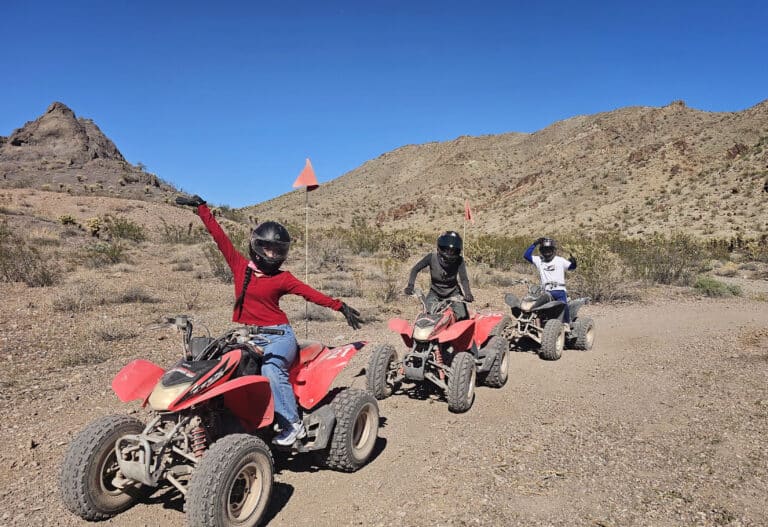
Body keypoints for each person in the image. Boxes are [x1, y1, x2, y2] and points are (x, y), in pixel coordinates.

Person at [176, 194, 363, 446]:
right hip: (248, 334)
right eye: (267, 248)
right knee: (209, 359)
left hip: (278, 335)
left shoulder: (283, 278)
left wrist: (340, 306)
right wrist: (202, 209)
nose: (271, 253)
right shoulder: (240, 266)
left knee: (271, 368)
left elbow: (310, 293)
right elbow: (220, 238)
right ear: (256, 246)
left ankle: (292, 424)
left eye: (277, 250)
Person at [403, 231, 474, 320]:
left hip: (454, 293)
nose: (450, 252)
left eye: (453, 250)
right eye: (447, 249)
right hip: (435, 293)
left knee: (463, 317)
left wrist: (468, 293)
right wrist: (410, 286)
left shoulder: (459, 260)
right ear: (441, 248)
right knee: (427, 316)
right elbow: (415, 269)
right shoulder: (432, 257)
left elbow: (463, 279)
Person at [523, 237, 577, 327]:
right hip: (546, 292)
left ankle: (567, 325)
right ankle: (538, 326)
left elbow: (571, 268)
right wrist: (535, 243)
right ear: (541, 251)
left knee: (564, 306)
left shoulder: (560, 260)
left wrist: (574, 263)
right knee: (537, 309)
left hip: (559, 290)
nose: (547, 252)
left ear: (553, 250)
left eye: (549, 250)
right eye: (544, 250)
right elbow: (526, 255)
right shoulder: (539, 260)